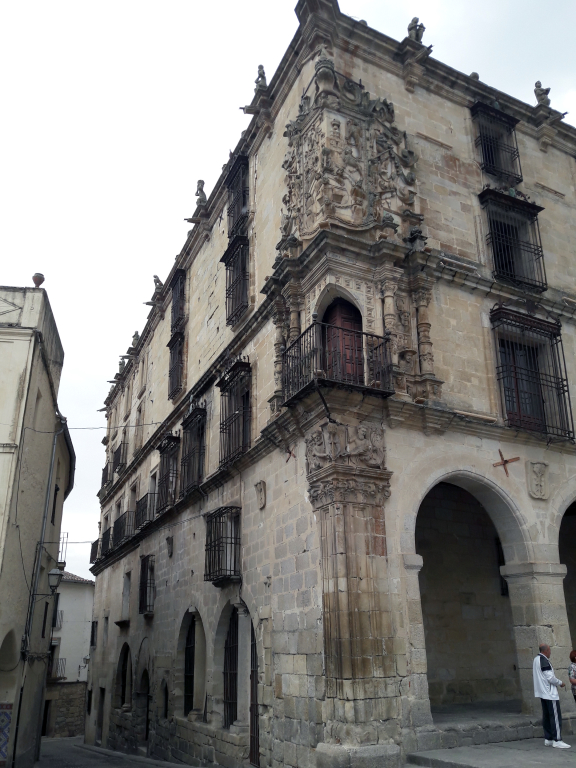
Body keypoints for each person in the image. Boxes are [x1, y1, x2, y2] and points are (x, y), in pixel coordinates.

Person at [533, 644, 570, 748]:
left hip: (542, 692)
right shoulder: (544, 660)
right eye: (549, 651)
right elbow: (550, 678)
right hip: (549, 693)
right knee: (555, 716)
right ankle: (557, 739)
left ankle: (548, 738)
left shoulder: (536, 659)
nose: (550, 653)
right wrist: (560, 682)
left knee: (547, 715)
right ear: (546, 651)